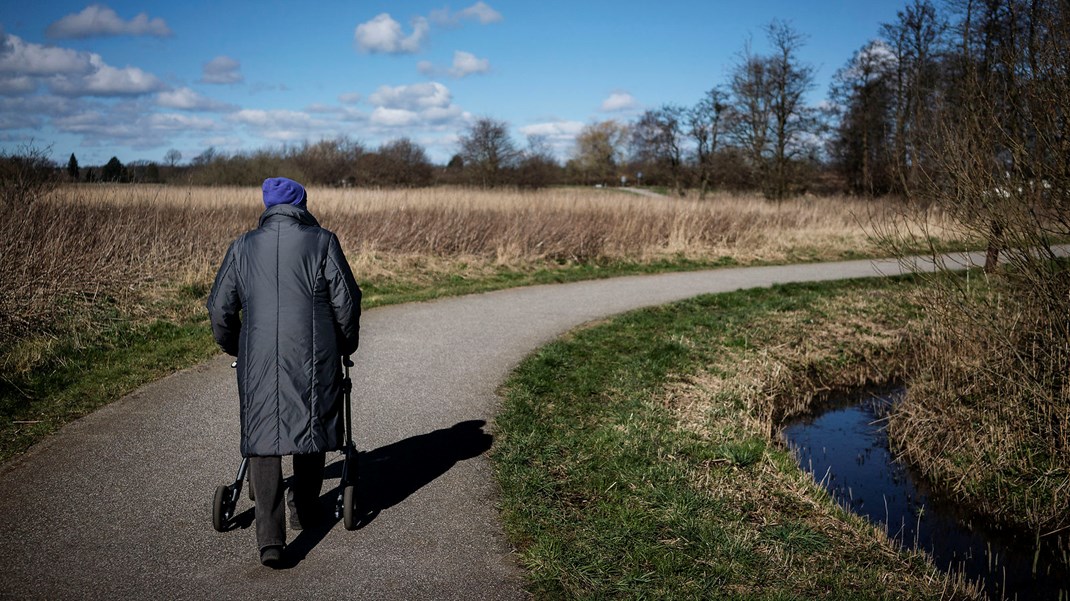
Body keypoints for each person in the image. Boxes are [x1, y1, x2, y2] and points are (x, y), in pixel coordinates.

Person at [207, 177, 362, 568]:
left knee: (263, 435)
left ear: (267, 205)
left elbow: (219, 308)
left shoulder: (243, 247)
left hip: (257, 356)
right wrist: (345, 345)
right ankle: (305, 511)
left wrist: (235, 345)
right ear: (301, 204)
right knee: (309, 422)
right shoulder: (322, 241)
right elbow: (347, 303)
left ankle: (270, 541)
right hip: (314, 356)